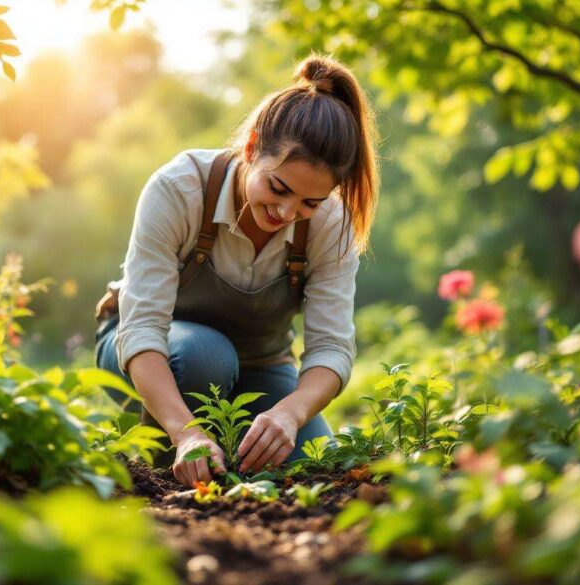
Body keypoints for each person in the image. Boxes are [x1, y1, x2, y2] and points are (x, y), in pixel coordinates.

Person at [94, 54, 379, 487]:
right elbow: (143, 330)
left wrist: (289, 413)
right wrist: (186, 432)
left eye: (309, 203)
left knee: (318, 464)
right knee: (205, 355)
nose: (287, 212)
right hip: (146, 354)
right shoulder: (179, 189)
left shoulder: (332, 225)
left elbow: (331, 350)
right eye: (277, 188)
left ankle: (219, 451)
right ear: (250, 148)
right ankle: (161, 461)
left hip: (260, 366)